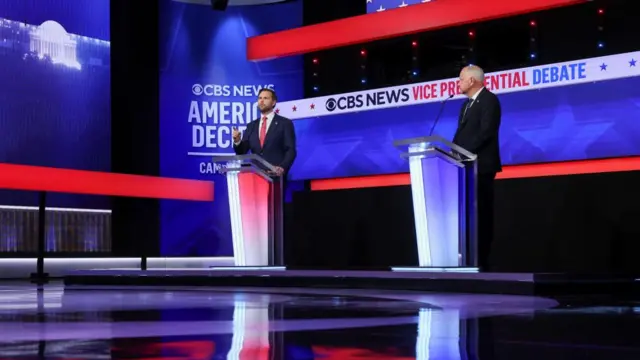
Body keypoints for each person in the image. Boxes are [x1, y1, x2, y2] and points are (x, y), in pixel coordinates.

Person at [452, 65, 502, 271]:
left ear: (472, 81)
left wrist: (464, 151)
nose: (458, 83)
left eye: (461, 79)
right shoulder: (465, 106)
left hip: (481, 167)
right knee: (467, 216)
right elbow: (461, 133)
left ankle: (483, 260)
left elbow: (487, 132)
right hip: (464, 167)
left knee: (482, 213)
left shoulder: (490, 100)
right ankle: (467, 259)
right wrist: (453, 152)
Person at [232, 88, 297, 176]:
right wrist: (237, 141)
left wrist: (282, 167)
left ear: (273, 102)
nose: (261, 101)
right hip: (254, 176)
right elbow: (241, 152)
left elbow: (290, 150)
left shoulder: (285, 123)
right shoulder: (251, 126)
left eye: (265, 98)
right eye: (260, 98)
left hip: (276, 176)